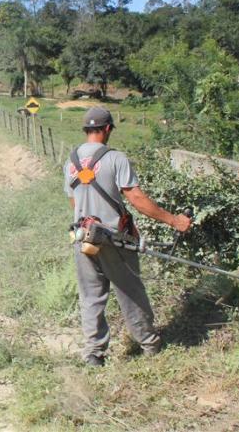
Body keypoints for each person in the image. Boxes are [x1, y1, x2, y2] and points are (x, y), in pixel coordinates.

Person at [64, 107, 191, 367]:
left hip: (82, 237)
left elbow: (72, 202)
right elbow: (137, 199)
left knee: (91, 296)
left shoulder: (71, 161)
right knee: (130, 291)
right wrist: (174, 220)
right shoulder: (115, 158)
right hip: (113, 239)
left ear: (86, 130)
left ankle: (94, 354)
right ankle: (149, 343)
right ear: (108, 128)